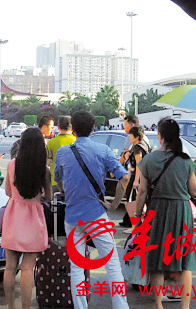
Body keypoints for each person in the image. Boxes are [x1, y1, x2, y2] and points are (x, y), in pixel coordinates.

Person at [54, 110, 130, 309]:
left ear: (73, 129)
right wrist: (114, 205)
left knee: (76, 267)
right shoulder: (103, 150)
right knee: (112, 264)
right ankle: (120, 306)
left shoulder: (63, 152)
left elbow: (58, 179)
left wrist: (65, 192)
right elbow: (124, 177)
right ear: (93, 128)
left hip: (72, 218)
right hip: (96, 215)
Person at [134, 117, 196, 309]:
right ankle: (185, 306)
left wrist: (138, 216)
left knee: (156, 262)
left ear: (160, 136)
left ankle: (157, 305)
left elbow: (142, 191)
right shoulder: (185, 161)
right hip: (181, 212)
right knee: (184, 262)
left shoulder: (149, 159)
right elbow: (194, 191)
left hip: (156, 212)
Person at [1, 128, 51, 309]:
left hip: (14, 217)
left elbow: (7, 191)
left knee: (10, 266)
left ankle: (10, 306)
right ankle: (25, 307)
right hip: (34, 220)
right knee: (28, 267)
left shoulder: (12, 165)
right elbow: (49, 197)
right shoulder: (43, 170)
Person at [119, 114, 150, 228]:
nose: (130, 139)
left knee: (132, 201)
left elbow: (139, 164)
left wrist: (136, 180)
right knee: (137, 201)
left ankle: (135, 226)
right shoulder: (144, 141)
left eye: (125, 124)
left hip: (136, 177)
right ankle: (134, 224)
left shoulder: (137, 146)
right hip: (142, 176)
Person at [46, 116, 76, 192]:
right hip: (73, 182)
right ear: (72, 128)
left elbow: (47, 163)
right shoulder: (76, 141)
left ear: (58, 127)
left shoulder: (51, 142)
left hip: (54, 181)